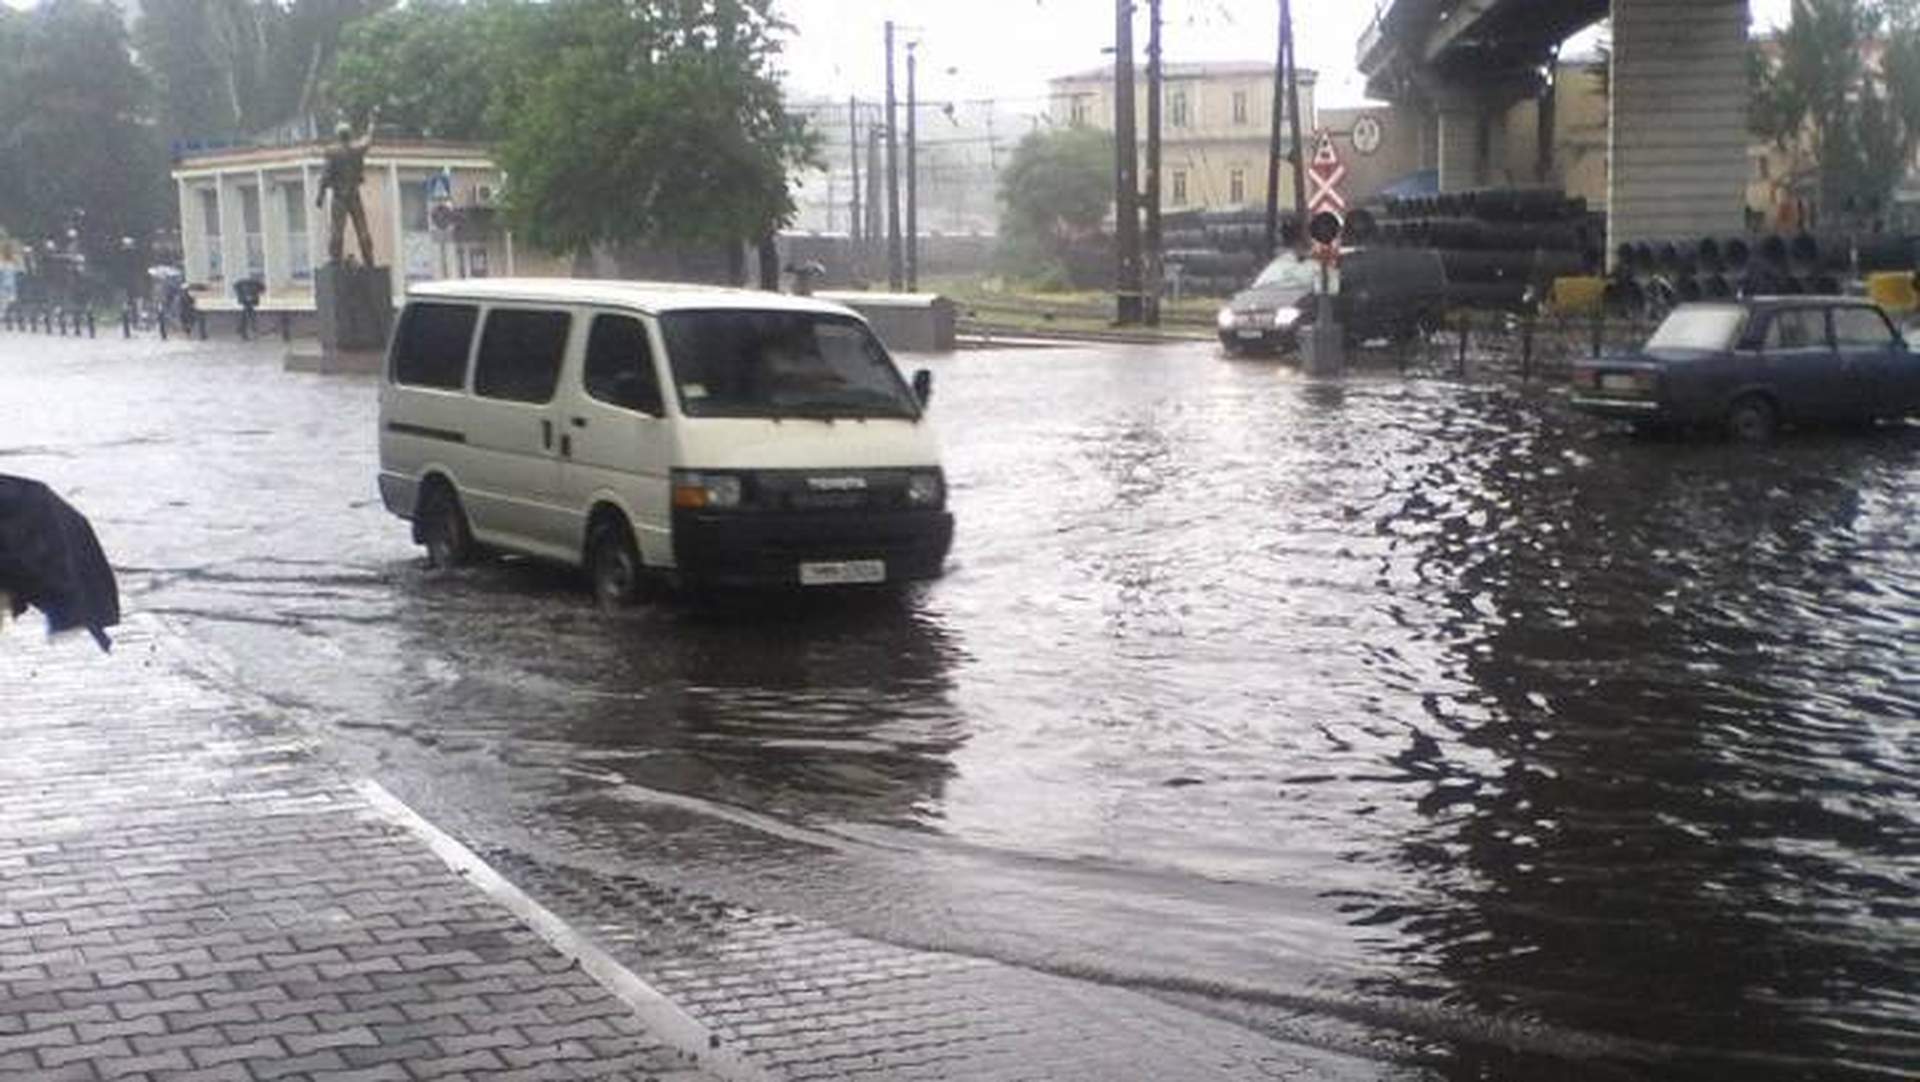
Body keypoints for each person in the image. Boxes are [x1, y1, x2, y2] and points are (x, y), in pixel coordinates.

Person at [316, 107, 381, 267]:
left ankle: (335, 261)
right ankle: (369, 259)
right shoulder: (357, 149)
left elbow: (325, 176)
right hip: (354, 194)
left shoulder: (332, 152)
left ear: (338, 136)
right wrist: (372, 121)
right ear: (350, 135)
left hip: (339, 196)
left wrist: (320, 195)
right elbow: (369, 138)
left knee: (337, 230)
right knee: (362, 228)